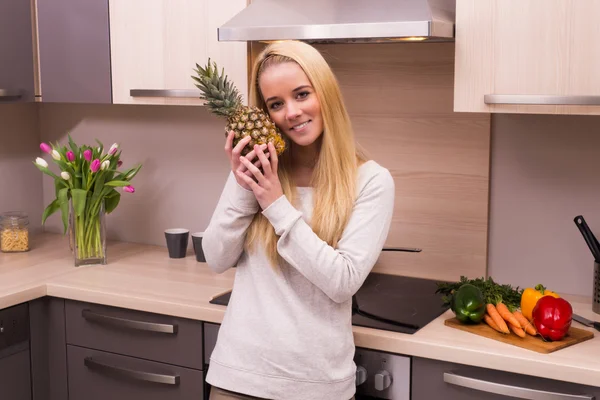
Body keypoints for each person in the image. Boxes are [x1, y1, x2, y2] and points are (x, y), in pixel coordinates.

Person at [202, 40, 395, 400]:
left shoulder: (371, 181)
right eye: (275, 104)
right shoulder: (257, 173)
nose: (291, 112)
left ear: (326, 93)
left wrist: (275, 204)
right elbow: (215, 257)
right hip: (237, 377)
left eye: (302, 94)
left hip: (317, 386)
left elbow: (342, 281)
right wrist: (248, 187)